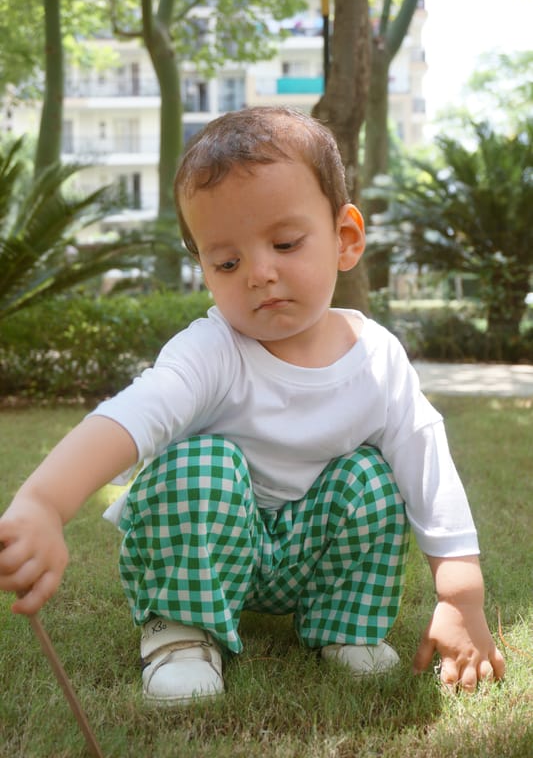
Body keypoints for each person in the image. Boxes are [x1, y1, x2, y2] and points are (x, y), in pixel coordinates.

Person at [0, 106, 505, 706]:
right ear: (205, 271)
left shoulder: (378, 358)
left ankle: (342, 623)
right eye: (227, 262)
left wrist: (460, 595)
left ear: (345, 239)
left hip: (306, 553)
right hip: (209, 550)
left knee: (372, 476)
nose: (260, 273)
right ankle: (182, 629)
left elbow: (426, 464)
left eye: (285, 243)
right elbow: (134, 415)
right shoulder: (211, 350)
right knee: (201, 463)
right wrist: (44, 502)